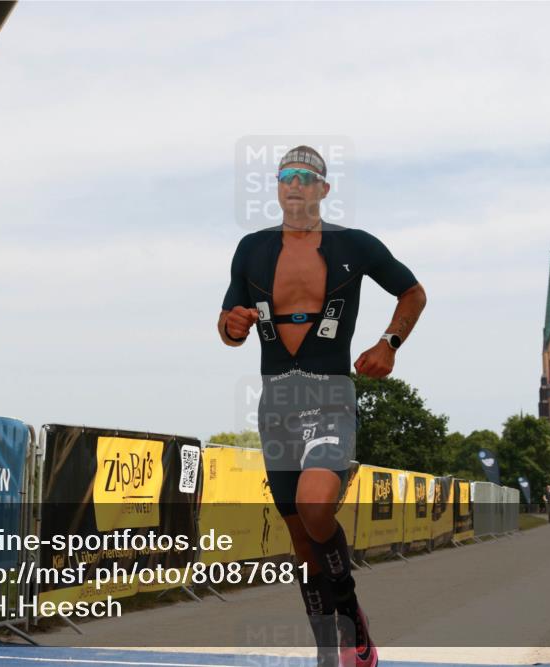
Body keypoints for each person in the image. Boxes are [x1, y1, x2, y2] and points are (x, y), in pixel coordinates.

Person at [219, 146, 426, 667]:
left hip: (330, 391)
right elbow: (228, 324)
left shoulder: (353, 244)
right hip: (276, 399)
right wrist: (232, 326)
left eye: (306, 178)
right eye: (286, 176)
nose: (295, 185)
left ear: (323, 190)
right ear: (277, 187)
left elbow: (413, 292)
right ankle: (330, 648)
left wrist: (389, 344)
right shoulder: (251, 249)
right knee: (300, 538)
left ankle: (352, 616)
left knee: (316, 504)